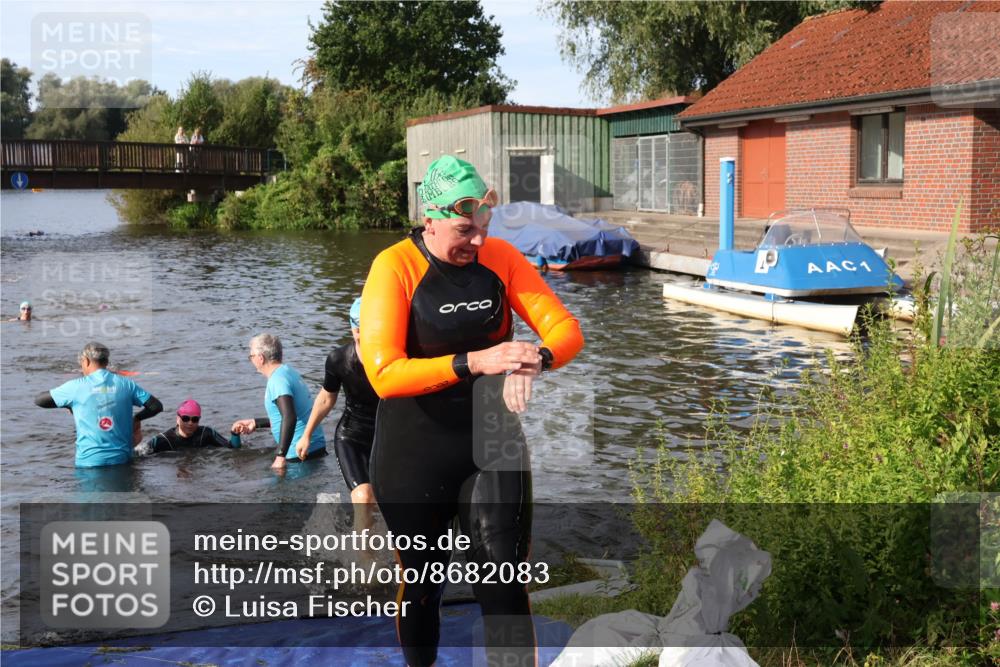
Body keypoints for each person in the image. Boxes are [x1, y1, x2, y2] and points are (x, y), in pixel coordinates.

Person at [359, 155, 584, 667]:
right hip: (411, 453)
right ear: (429, 219)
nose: (478, 241)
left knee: (504, 584)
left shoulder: (500, 259)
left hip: (492, 441)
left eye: (484, 227)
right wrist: (476, 361)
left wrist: (536, 360)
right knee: (423, 585)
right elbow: (384, 374)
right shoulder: (394, 267)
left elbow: (568, 330)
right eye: (465, 230)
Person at [295, 298, 380, 526]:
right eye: (358, 328)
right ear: (353, 327)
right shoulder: (338, 359)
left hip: (390, 437)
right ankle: (365, 560)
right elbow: (326, 398)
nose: (363, 334)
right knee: (363, 497)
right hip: (353, 436)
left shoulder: (394, 357)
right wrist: (306, 434)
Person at [35, 341, 163, 467]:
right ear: (106, 362)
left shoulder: (75, 387)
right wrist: (136, 418)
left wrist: (68, 404)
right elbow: (156, 406)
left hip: (88, 463)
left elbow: (40, 400)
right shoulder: (126, 384)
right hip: (122, 461)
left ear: (86, 361)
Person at [232, 334, 327, 473]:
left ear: (261, 358)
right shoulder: (288, 372)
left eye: (251, 356)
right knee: (319, 493)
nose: (251, 360)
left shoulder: (277, 381)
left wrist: (280, 455)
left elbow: (290, 416)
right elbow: (290, 415)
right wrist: (256, 423)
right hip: (314, 448)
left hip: (299, 454)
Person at [136, 399, 239, 454]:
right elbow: (140, 455)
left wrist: (235, 434)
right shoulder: (164, 440)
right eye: (185, 418)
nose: (190, 423)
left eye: (195, 419)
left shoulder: (206, 434)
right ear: (177, 418)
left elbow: (233, 448)